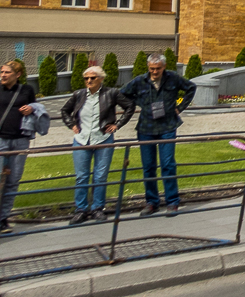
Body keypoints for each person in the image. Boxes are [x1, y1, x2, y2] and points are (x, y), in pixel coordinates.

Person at [121, 54, 196, 215]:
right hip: (146, 128)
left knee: (168, 164)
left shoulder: (173, 78)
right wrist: (139, 104)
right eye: (152, 69)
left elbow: (191, 87)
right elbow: (123, 94)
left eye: (158, 69)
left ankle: (172, 202)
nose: (155, 72)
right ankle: (152, 202)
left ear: (164, 66)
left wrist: (180, 107)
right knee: (148, 167)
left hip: (168, 126)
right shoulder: (140, 81)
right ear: (148, 68)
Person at [60, 66, 135, 223]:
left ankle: (97, 208)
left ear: (101, 78)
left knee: (100, 176)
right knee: (82, 177)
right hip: (81, 140)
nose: (89, 81)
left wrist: (117, 125)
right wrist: (71, 124)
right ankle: (80, 209)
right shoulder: (79, 94)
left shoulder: (111, 93)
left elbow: (129, 106)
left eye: (92, 78)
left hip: (103, 138)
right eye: (86, 78)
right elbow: (65, 111)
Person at [0, 61, 34, 234]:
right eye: (2, 72)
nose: (3, 75)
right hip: (1, 140)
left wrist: (31, 109)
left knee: (13, 181)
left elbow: (36, 109)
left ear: (17, 74)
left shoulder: (26, 90)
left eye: (7, 72)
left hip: (20, 140)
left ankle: (3, 218)